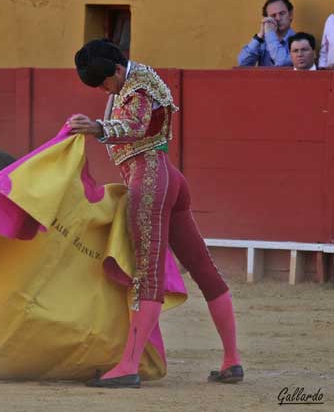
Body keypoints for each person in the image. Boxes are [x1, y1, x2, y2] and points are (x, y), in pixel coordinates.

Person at [69, 39, 243, 388]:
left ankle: (128, 365)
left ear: (118, 69)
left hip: (148, 179)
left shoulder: (138, 86)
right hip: (165, 177)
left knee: (147, 275)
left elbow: (135, 125)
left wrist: (99, 128)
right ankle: (231, 360)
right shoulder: (135, 80)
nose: (105, 88)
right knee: (202, 267)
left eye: (105, 82)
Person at [238, 0, 295, 67]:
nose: (278, 18)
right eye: (273, 16)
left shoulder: (299, 41)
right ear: (267, 19)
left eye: (282, 13)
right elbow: (243, 64)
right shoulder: (262, 42)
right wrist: (259, 36)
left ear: (290, 14)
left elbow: (282, 62)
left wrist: (270, 34)